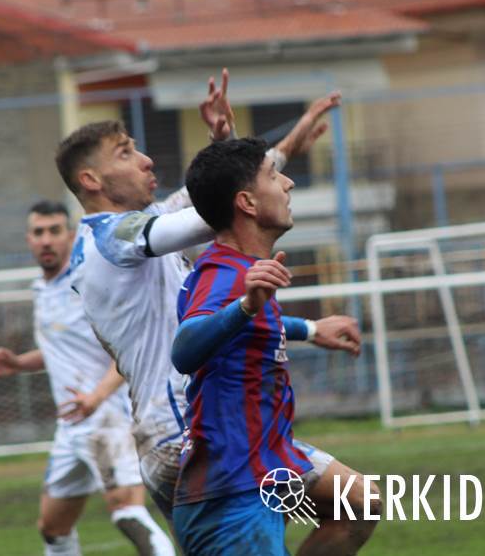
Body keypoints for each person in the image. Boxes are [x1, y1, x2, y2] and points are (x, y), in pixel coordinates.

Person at [55, 69, 337, 520]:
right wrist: (250, 163)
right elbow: (229, 206)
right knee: (346, 505)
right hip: (185, 436)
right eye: (126, 152)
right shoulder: (111, 238)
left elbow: (229, 196)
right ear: (91, 179)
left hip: (189, 434)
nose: (146, 160)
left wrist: (264, 149)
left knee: (356, 505)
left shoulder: (141, 227)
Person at [168, 137, 379, 555]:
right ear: (247, 203)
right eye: (273, 175)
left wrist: (310, 329)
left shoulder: (243, 269)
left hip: (265, 461)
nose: (288, 183)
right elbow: (184, 350)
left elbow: (254, 328)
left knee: (359, 502)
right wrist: (246, 306)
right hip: (232, 488)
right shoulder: (227, 276)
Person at [0, 200, 174, 556]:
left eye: (54, 231)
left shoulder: (86, 282)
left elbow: (124, 351)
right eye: (39, 232)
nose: (46, 240)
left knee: (127, 513)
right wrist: (19, 363)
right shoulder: (41, 288)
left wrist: (96, 397)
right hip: (71, 426)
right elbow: (60, 348)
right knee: (53, 528)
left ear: (70, 236)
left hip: (108, 419)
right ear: (28, 239)